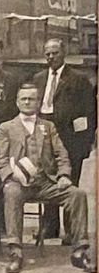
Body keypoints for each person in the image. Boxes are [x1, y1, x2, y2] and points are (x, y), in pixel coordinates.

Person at [0, 82, 96, 273]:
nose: (27, 102)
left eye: (32, 99)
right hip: (18, 183)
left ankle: (80, 250)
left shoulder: (48, 126)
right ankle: (15, 251)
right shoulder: (6, 127)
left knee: (77, 194)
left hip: (45, 182)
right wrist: (10, 176)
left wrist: (64, 175)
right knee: (11, 193)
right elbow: (1, 159)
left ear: (39, 103)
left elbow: (61, 154)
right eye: (24, 99)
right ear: (17, 102)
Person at [30, 38, 94, 179]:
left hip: (68, 134)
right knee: (46, 176)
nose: (51, 57)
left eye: (55, 53)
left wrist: (84, 141)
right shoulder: (38, 78)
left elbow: (89, 111)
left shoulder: (78, 79)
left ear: (64, 53)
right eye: (48, 54)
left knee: (70, 178)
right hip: (44, 132)